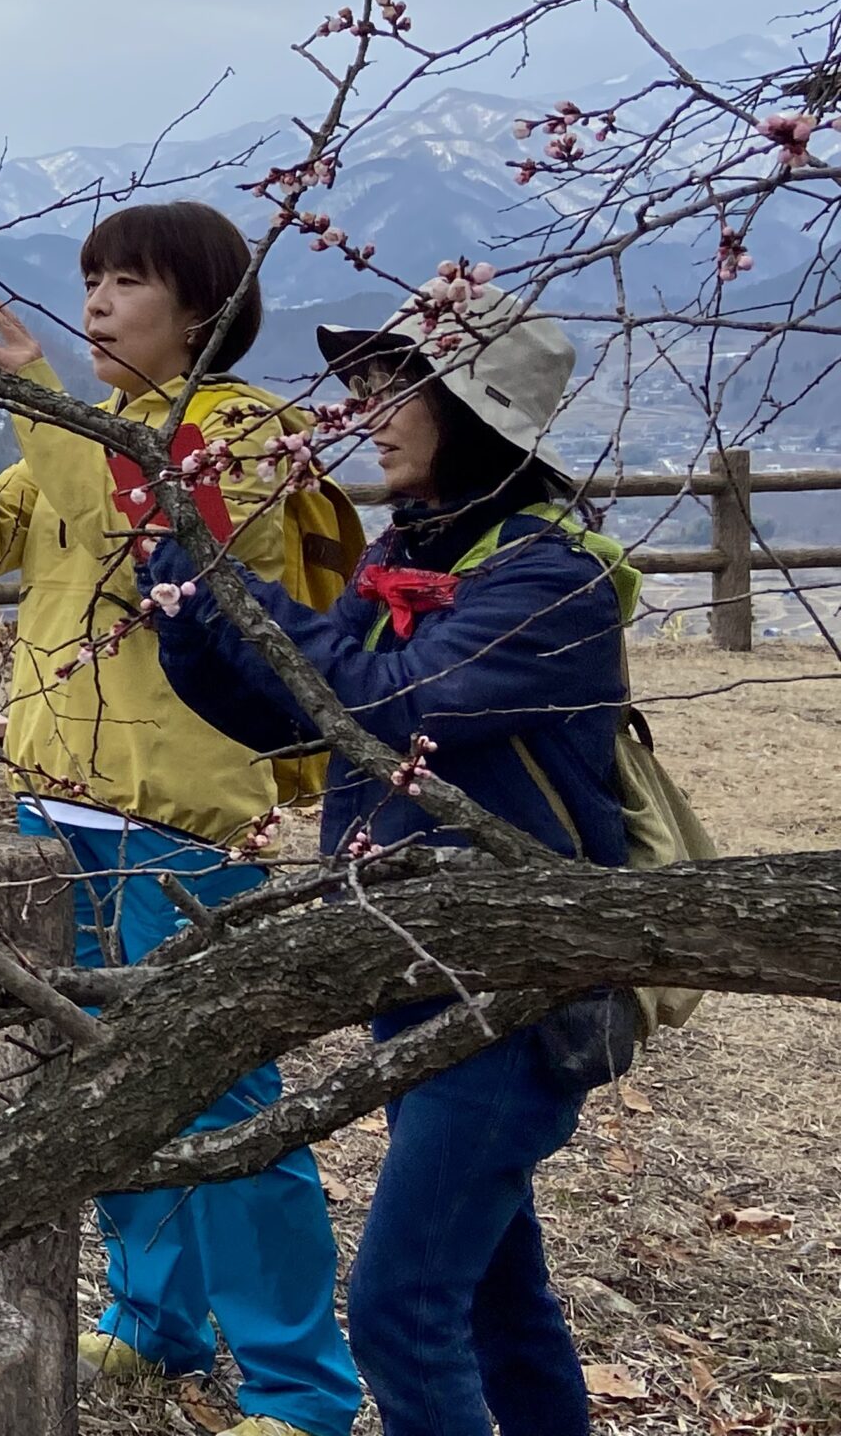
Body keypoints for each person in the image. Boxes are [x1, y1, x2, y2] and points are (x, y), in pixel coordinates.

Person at [139, 278, 636, 1436]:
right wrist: (193, 626)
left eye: (398, 385)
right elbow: (301, 718)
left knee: (402, 1310)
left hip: (517, 988)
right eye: (364, 383)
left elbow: (393, 700)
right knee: (497, 1297)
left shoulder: (548, 584)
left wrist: (238, 592)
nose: (369, 408)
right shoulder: (411, 552)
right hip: (422, 968)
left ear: (473, 409)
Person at [0, 201, 362, 1436]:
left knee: (223, 1093)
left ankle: (298, 1387)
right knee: (102, 1081)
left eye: (128, 281)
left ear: (202, 311)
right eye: (91, 278)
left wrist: (36, 395)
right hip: (51, 800)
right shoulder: (89, 431)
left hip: (177, 816)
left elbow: (140, 547)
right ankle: (149, 1319)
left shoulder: (241, 435)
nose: (98, 301)